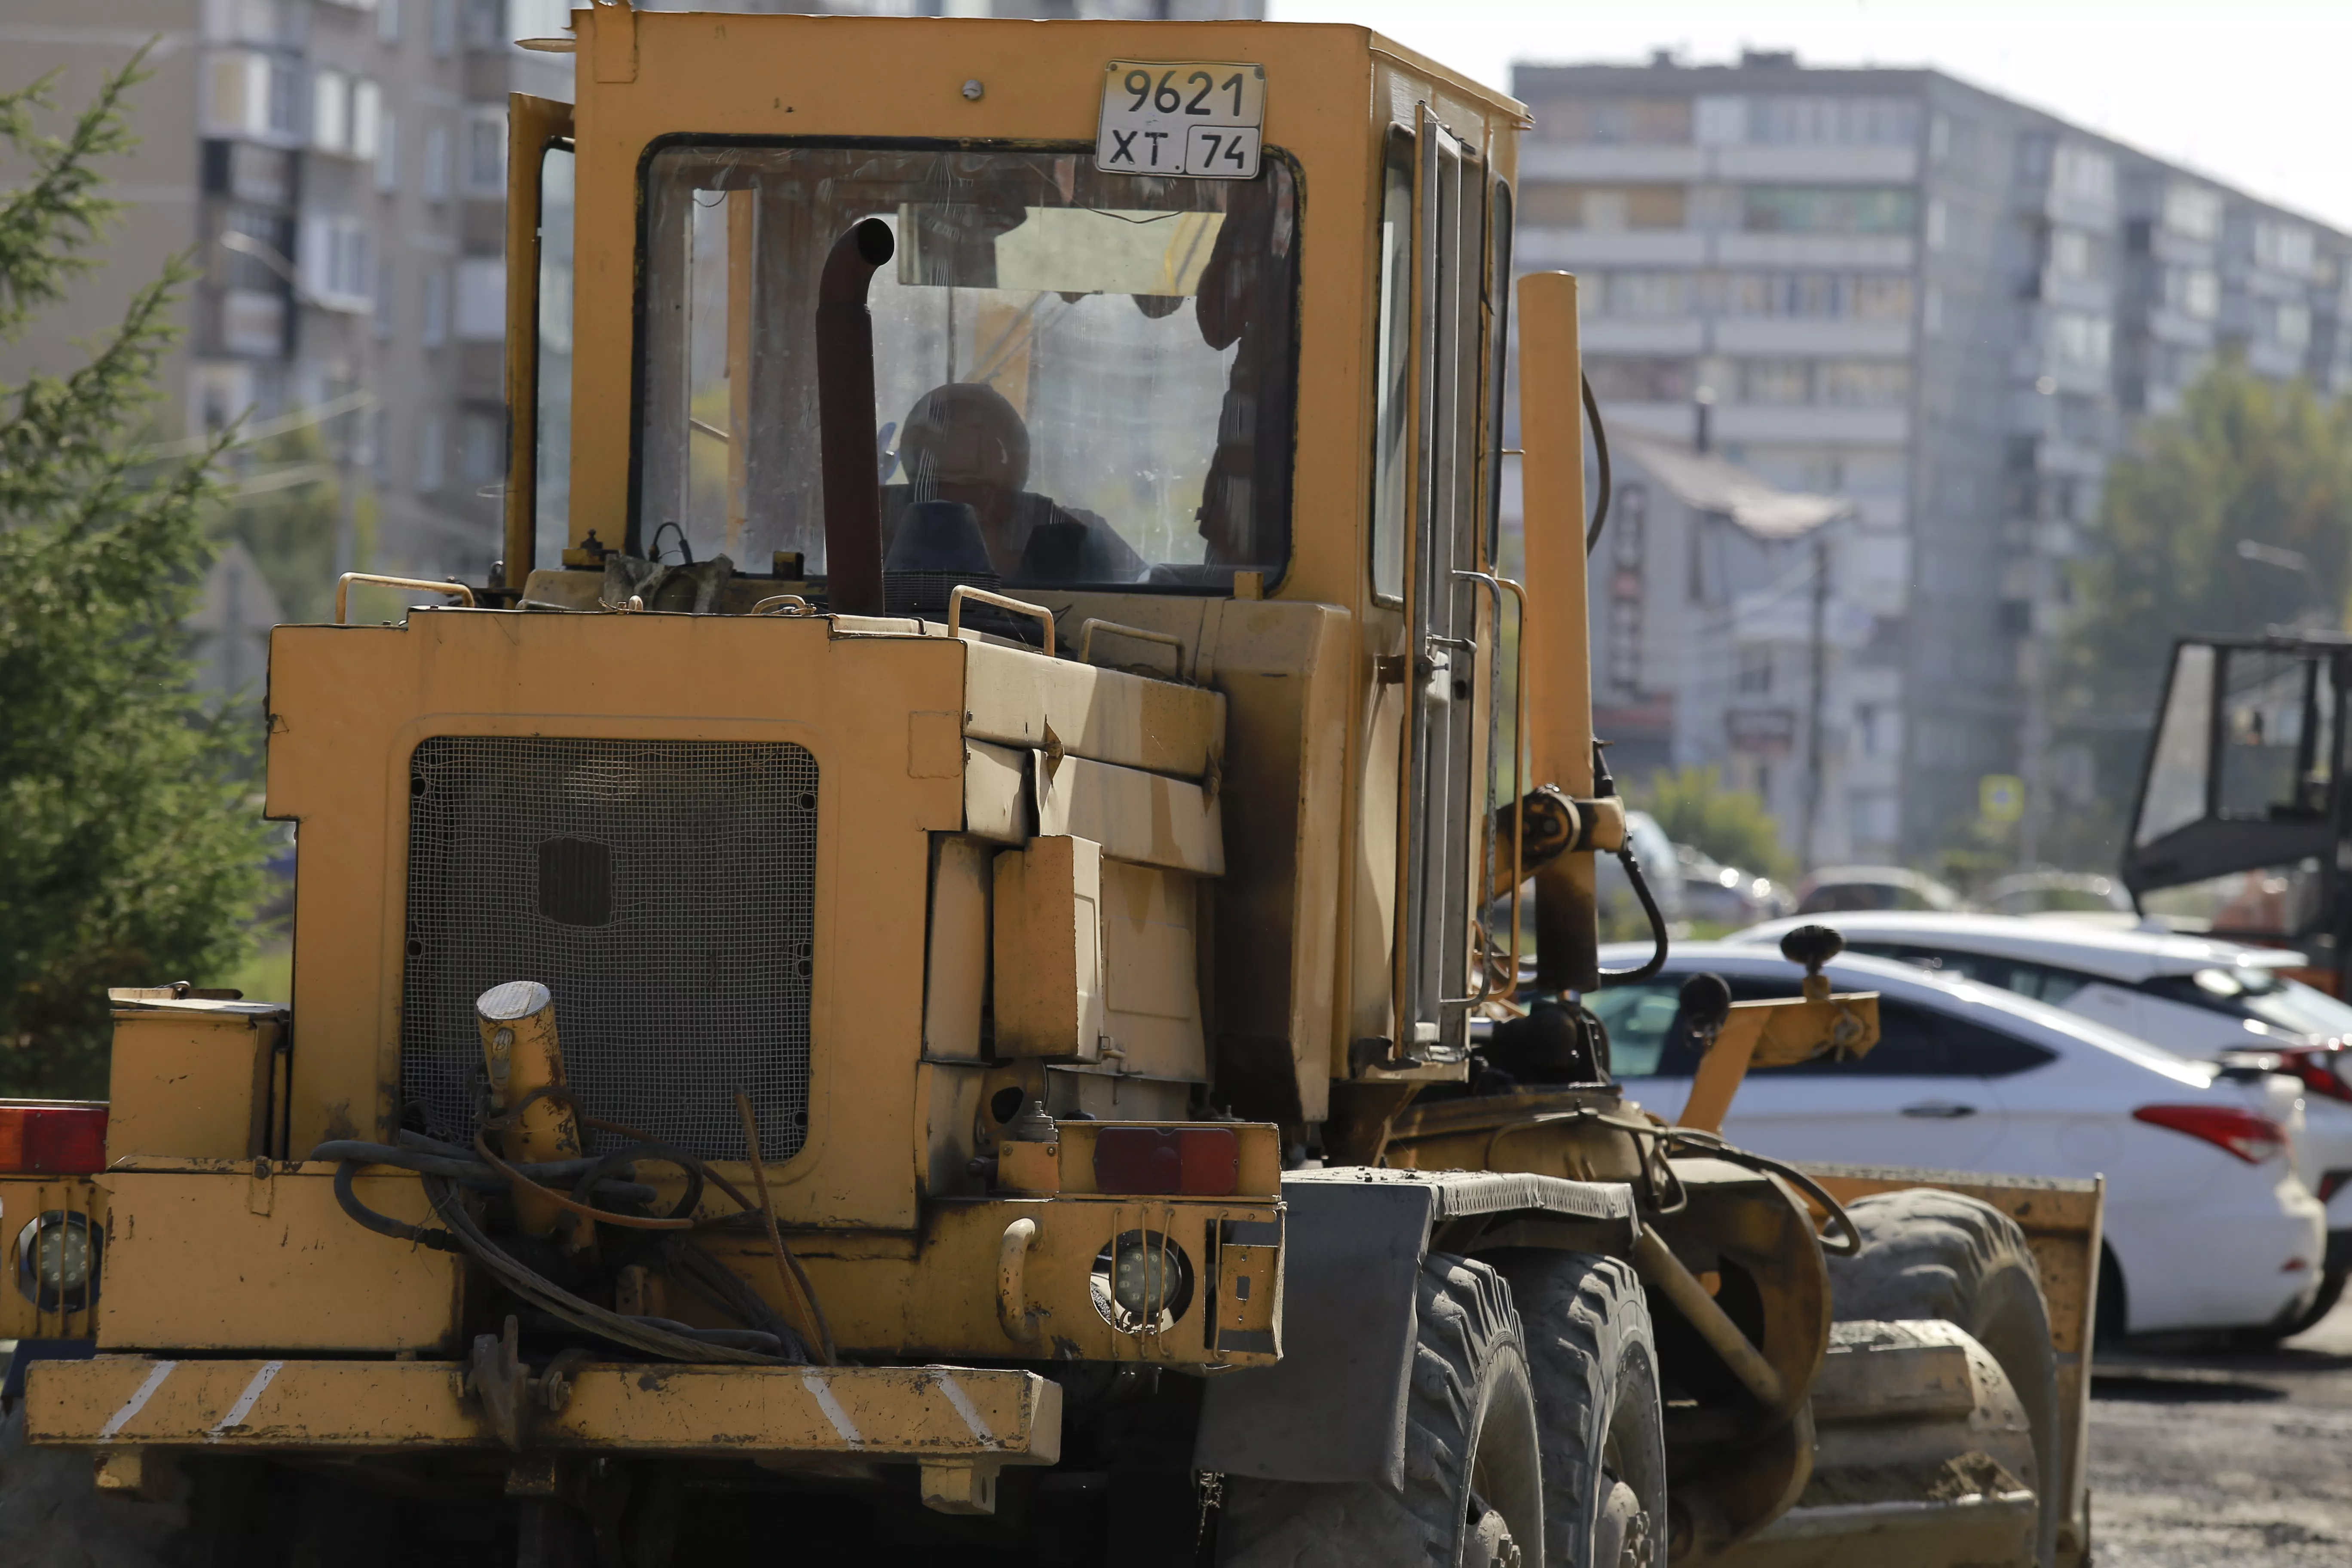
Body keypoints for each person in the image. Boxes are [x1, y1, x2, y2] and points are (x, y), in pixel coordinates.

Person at [885, 381, 1144, 583]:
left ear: (1013, 460)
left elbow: (1144, 590)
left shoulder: (1073, 534)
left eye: (985, 442)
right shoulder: (878, 522)